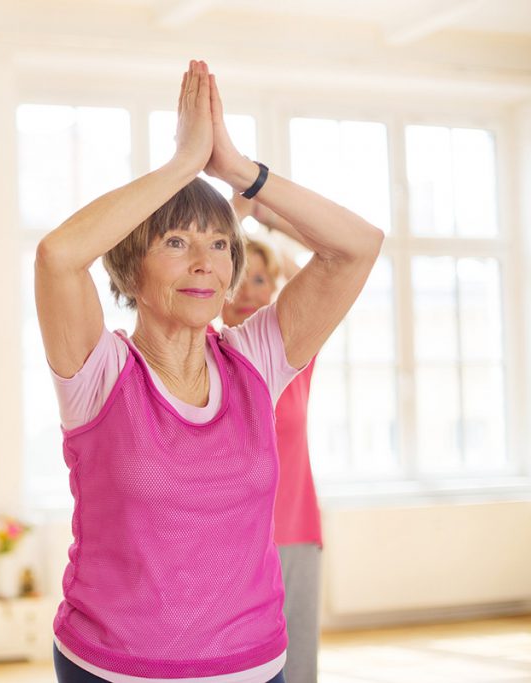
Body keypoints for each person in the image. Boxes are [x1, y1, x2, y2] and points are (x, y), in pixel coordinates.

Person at [34, 59, 383, 683]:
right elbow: (58, 255)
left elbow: (358, 246)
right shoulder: (100, 372)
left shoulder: (256, 361)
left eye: (219, 244)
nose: (204, 262)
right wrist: (181, 164)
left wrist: (239, 172)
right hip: (113, 669)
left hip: (254, 665)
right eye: (176, 243)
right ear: (129, 268)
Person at [223, 198, 322, 683]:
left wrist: (259, 214)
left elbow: (332, 259)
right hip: (223, 542)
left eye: (260, 279)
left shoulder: (296, 353)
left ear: (276, 288)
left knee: (297, 668)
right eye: (237, 277)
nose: (246, 291)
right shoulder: (204, 357)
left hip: (293, 532)